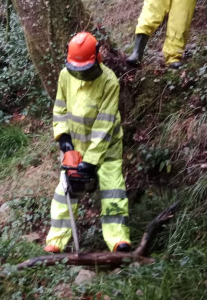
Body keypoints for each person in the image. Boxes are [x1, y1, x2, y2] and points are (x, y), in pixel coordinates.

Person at [44, 32, 131, 253]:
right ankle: (57, 239)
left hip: (107, 148)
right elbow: (60, 109)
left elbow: (105, 125)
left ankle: (118, 239)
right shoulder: (66, 75)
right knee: (65, 192)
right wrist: (64, 141)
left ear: (96, 58)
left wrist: (91, 162)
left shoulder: (109, 80)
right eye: (77, 69)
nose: (81, 73)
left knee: (113, 190)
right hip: (76, 148)